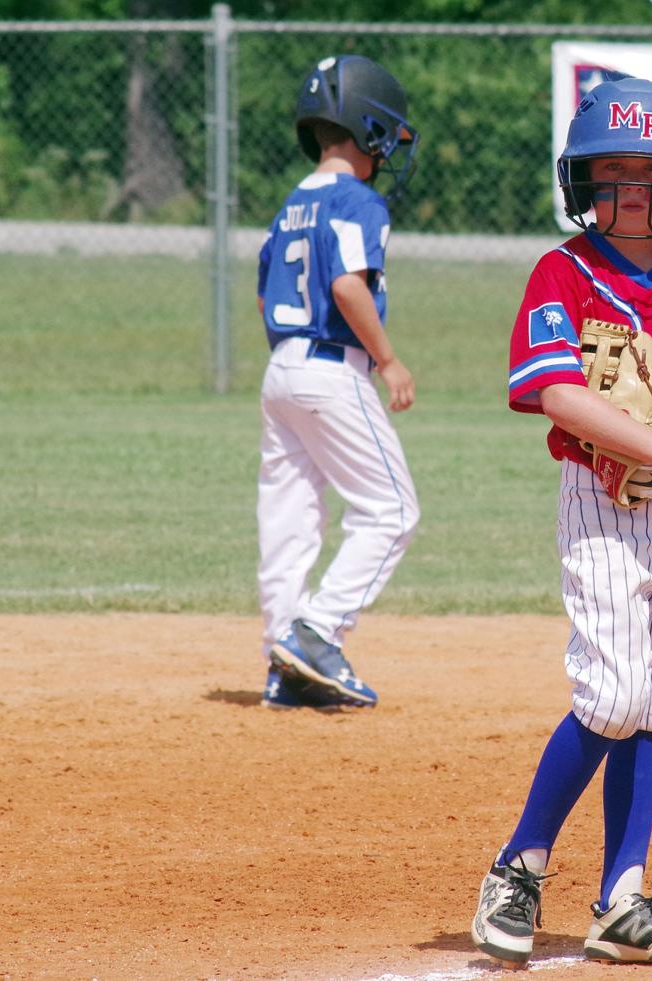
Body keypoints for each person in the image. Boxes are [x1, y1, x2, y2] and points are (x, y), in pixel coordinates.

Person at [469, 76, 652, 967]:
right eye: (613, 171)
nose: (633, 189)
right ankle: (517, 867)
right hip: (598, 500)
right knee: (613, 690)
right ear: (581, 180)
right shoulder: (564, 272)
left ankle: (623, 898)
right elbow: (552, 389)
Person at [255, 54, 421, 710]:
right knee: (392, 510)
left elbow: (266, 293)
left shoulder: (292, 203)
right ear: (367, 129)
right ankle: (318, 632)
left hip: (282, 368)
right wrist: (389, 361)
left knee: (290, 518)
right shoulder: (358, 198)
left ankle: (285, 660)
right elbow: (347, 282)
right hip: (332, 367)